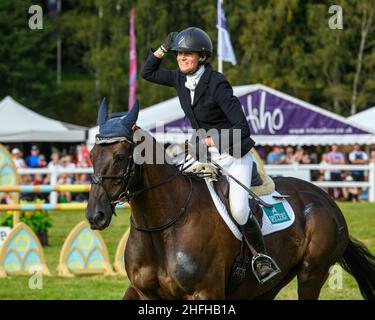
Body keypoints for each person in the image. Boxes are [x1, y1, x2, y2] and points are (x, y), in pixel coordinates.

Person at [141, 27, 278, 282]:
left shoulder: (217, 83)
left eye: (187, 54)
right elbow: (147, 73)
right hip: (203, 153)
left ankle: (261, 257)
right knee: (179, 191)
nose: (181, 58)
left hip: (233, 154)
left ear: (202, 56)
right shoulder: (180, 79)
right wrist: (162, 48)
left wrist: (211, 138)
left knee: (237, 210)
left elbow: (242, 128)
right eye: (179, 53)